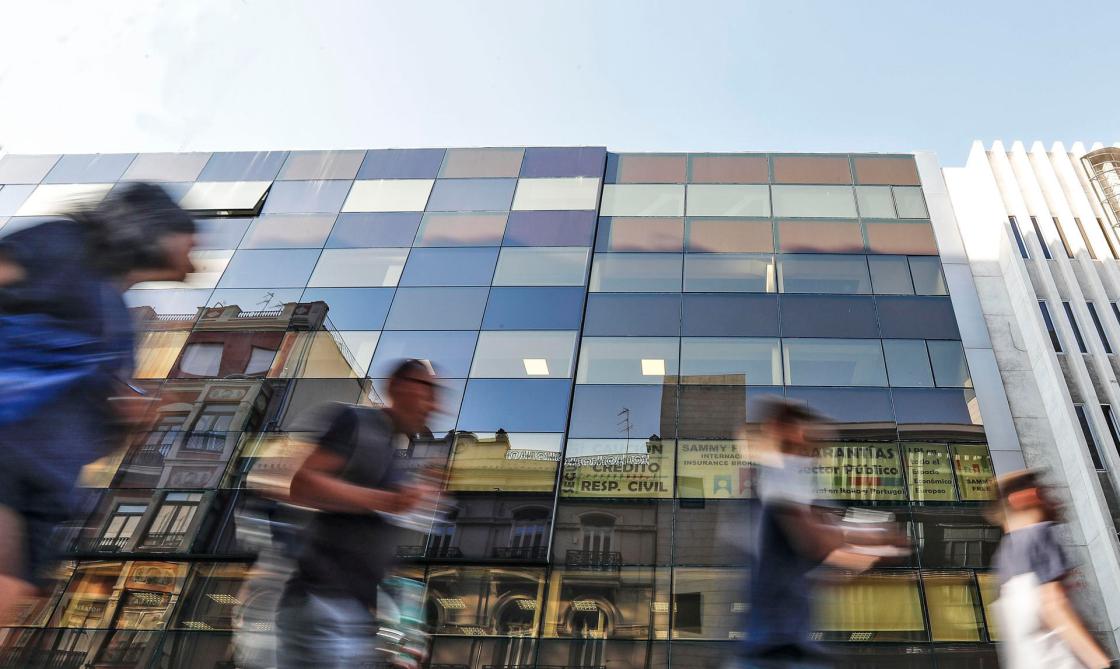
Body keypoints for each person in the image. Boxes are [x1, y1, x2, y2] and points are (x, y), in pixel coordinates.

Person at [0, 183, 197, 624]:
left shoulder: (122, 329)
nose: (195, 260)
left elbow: (93, 439)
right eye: (190, 241)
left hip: (46, 489)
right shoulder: (62, 244)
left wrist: (127, 420)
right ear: (153, 229)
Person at [275, 358, 440, 669]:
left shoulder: (393, 455)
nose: (433, 404)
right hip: (319, 605)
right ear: (397, 386)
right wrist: (387, 501)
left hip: (349, 616)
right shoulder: (357, 423)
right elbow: (303, 484)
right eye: (427, 391)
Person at [736, 398, 903, 669]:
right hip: (774, 649)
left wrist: (861, 556)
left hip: (788, 643)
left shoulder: (794, 480)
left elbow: (820, 555)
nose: (817, 448)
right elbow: (816, 540)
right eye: (810, 437)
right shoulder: (780, 473)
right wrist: (877, 537)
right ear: (783, 429)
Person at [991, 470, 1116, 669]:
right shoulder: (1037, 535)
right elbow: (1054, 606)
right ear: (1022, 498)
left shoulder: (1003, 559)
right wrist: (1101, 664)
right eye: (1043, 493)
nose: (1054, 500)